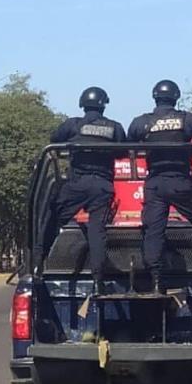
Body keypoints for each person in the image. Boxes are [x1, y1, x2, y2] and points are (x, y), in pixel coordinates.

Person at [128, 79, 192, 294]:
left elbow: (128, 145)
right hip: (181, 181)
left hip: (155, 183)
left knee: (153, 231)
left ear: (155, 97)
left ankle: (155, 281)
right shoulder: (187, 120)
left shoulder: (141, 122)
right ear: (176, 97)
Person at [34, 86, 126, 294]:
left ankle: (37, 265)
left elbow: (55, 139)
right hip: (102, 185)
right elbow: (122, 150)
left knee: (52, 218)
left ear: (83, 104)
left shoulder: (73, 124)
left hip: (76, 184)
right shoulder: (115, 127)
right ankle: (98, 279)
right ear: (104, 105)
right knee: (97, 231)